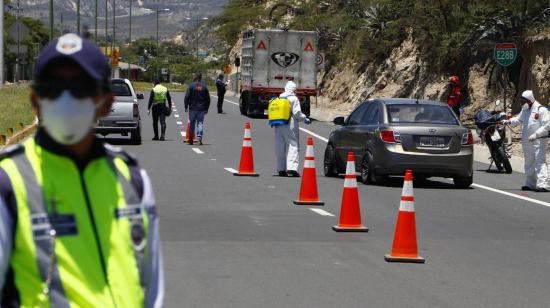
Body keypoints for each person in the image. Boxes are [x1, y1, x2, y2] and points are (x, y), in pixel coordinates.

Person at [0, 33, 164, 307]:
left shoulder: (132, 180)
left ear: (106, 102)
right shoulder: (8, 183)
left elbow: (152, 289)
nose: (66, 98)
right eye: (53, 87)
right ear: (35, 100)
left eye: (80, 87)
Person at [502, 90, 549, 192]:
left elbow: (547, 125)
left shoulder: (541, 110)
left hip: (538, 141)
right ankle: (530, 184)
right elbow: (519, 119)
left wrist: (536, 134)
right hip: (527, 141)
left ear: (530, 100)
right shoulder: (525, 110)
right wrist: (508, 121)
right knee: (529, 162)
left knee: (540, 162)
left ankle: (543, 184)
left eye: (524, 101)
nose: (522, 103)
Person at [271, 81, 311, 177]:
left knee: (280, 146)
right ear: (294, 90)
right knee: (293, 145)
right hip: (290, 123)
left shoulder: (279, 98)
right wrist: (304, 118)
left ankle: (281, 169)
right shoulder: (294, 98)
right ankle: (292, 168)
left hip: (278, 124)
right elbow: (297, 113)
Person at [184, 73, 210, 145]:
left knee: (192, 124)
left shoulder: (191, 85)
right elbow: (208, 99)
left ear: (195, 77)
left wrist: (186, 106)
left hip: (192, 108)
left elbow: (187, 96)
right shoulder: (204, 86)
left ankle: (191, 139)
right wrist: (206, 108)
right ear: (201, 78)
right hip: (201, 109)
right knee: (200, 123)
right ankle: (199, 138)